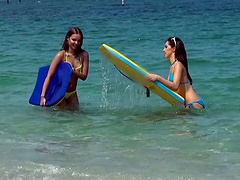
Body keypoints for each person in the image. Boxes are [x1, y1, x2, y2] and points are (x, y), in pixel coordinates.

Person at [147, 37, 205, 109]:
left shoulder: (178, 65)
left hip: (194, 104)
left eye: (166, 47)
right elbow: (168, 87)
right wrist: (150, 85)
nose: (163, 50)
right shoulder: (172, 66)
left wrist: (158, 78)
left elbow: (175, 86)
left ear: (174, 49)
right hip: (186, 105)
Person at [40, 27, 89, 108]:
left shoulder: (84, 55)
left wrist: (73, 71)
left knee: (78, 116)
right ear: (68, 38)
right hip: (59, 92)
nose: (76, 43)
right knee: (65, 116)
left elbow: (84, 77)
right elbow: (49, 76)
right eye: (74, 40)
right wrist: (43, 96)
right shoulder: (61, 55)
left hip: (72, 92)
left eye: (79, 41)